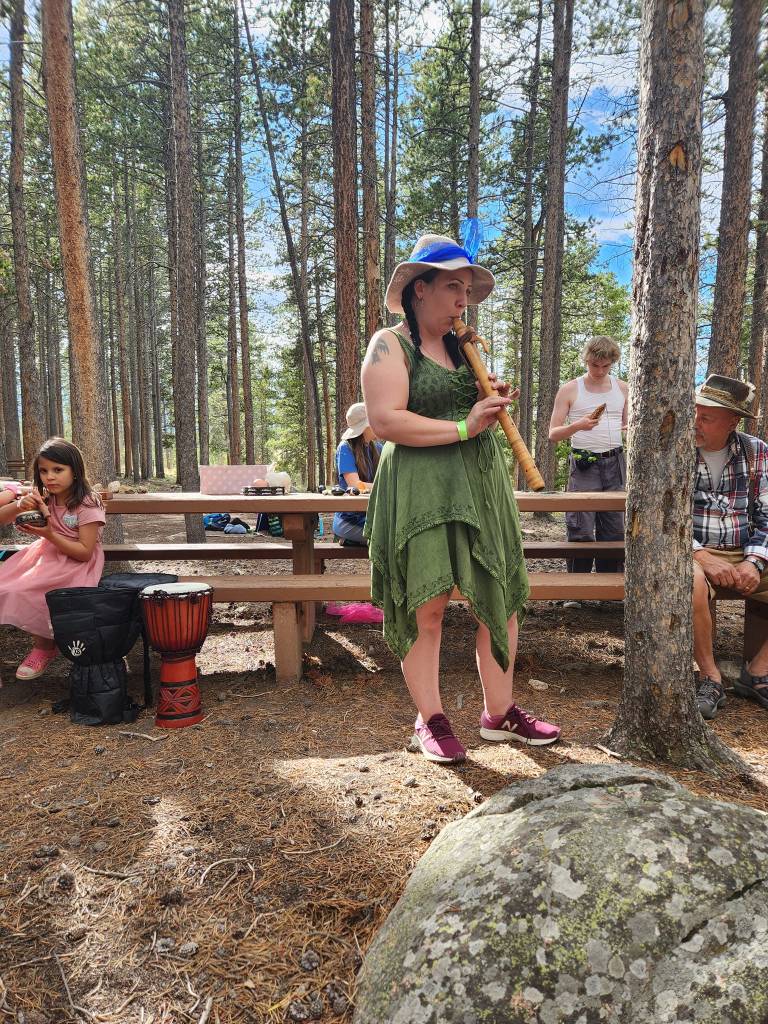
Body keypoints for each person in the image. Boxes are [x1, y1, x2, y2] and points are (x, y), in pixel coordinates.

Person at [361, 232, 560, 764]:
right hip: (421, 488)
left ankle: (500, 713)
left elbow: (470, 416)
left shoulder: (462, 348)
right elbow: (385, 421)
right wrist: (464, 426)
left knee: (499, 595)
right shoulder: (389, 344)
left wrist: (486, 401)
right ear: (419, 289)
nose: (462, 299)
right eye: (453, 286)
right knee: (427, 605)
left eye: (467, 289)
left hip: (479, 485)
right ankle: (430, 719)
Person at [691, 375, 768, 720]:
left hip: (744, 549)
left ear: (732, 422)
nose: (695, 422)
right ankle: (710, 677)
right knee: (689, 582)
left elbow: (767, 514)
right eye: (695, 413)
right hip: (691, 552)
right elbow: (661, 518)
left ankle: (758, 671)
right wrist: (701, 556)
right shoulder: (674, 449)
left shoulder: (755, 451)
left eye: (706, 417)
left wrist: (754, 561)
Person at [0, 437, 106, 681]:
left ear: (75, 470)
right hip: (45, 556)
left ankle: (44, 648)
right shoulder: (45, 497)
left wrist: (48, 534)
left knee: (38, 593)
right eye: (44, 471)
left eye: (58, 470)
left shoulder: (87, 502)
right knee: (7, 587)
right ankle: (46, 644)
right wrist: (19, 505)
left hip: (75, 563)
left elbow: (84, 552)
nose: (50, 477)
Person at [548, 336, 628, 592]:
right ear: (586, 360)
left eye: (605, 366)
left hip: (615, 461)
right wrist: (578, 426)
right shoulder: (570, 389)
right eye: (595, 365)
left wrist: (629, 429)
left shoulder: (623, 388)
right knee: (580, 526)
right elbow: (553, 433)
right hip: (583, 463)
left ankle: (609, 589)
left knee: (614, 527)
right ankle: (576, 589)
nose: (600, 371)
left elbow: (629, 423)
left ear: (612, 363)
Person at [332, 402, 382, 546]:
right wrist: (384, 485)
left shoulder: (378, 447)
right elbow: (355, 485)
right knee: (389, 537)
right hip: (349, 520)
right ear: (365, 426)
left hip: (372, 515)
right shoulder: (345, 448)